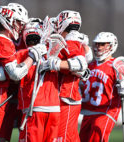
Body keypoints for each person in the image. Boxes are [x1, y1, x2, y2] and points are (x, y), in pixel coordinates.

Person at [0, 3, 47, 142]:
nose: (20, 26)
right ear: (8, 20)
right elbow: (15, 74)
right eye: (18, 22)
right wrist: (33, 55)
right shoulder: (3, 41)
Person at [40, 10, 90, 142]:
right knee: (70, 137)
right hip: (62, 96)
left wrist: (56, 63)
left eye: (58, 22)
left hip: (67, 96)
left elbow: (81, 64)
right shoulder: (71, 41)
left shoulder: (71, 41)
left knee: (62, 138)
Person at [79, 32, 124, 142]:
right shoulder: (89, 65)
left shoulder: (116, 65)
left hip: (106, 112)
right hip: (88, 112)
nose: (98, 47)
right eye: (96, 44)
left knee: (97, 135)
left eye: (102, 44)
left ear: (111, 45)